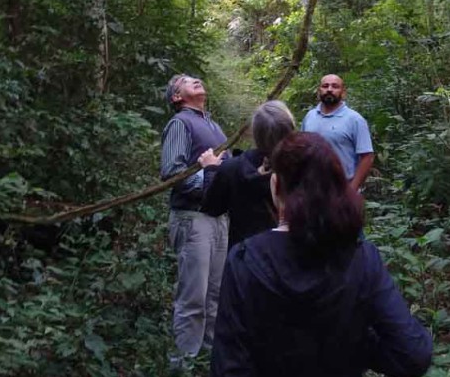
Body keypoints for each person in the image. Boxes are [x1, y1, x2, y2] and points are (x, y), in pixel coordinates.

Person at [210, 132, 432, 377]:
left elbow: (228, 366)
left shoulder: (245, 260)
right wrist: (357, 342)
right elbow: (413, 353)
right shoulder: (361, 259)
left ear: (276, 185)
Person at [160, 74, 229, 361]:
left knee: (215, 294)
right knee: (194, 296)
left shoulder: (213, 125)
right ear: (177, 97)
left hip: (219, 218)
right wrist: (209, 178)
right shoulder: (180, 123)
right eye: (188, 81)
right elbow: (172, 173)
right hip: (193, 217)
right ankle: (184, 360)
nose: (197, 80)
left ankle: (209, 359)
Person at [198, 100, 295, 249]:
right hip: (290, 252)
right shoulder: (303, 166)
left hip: (245, 254)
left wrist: (210, 169)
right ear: (291, 129)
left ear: (254, 133)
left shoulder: (232, 168)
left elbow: (211, 207)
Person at [301, 74, 375, 194]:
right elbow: (302, 151)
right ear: (319, 91)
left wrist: (352, 190)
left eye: (335, 86)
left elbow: (367, 157)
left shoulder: (355, 120)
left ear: (343, 92)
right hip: (312, 190)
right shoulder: (309, 117)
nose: (329, 89)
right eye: (325, 86)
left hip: (342, 190)